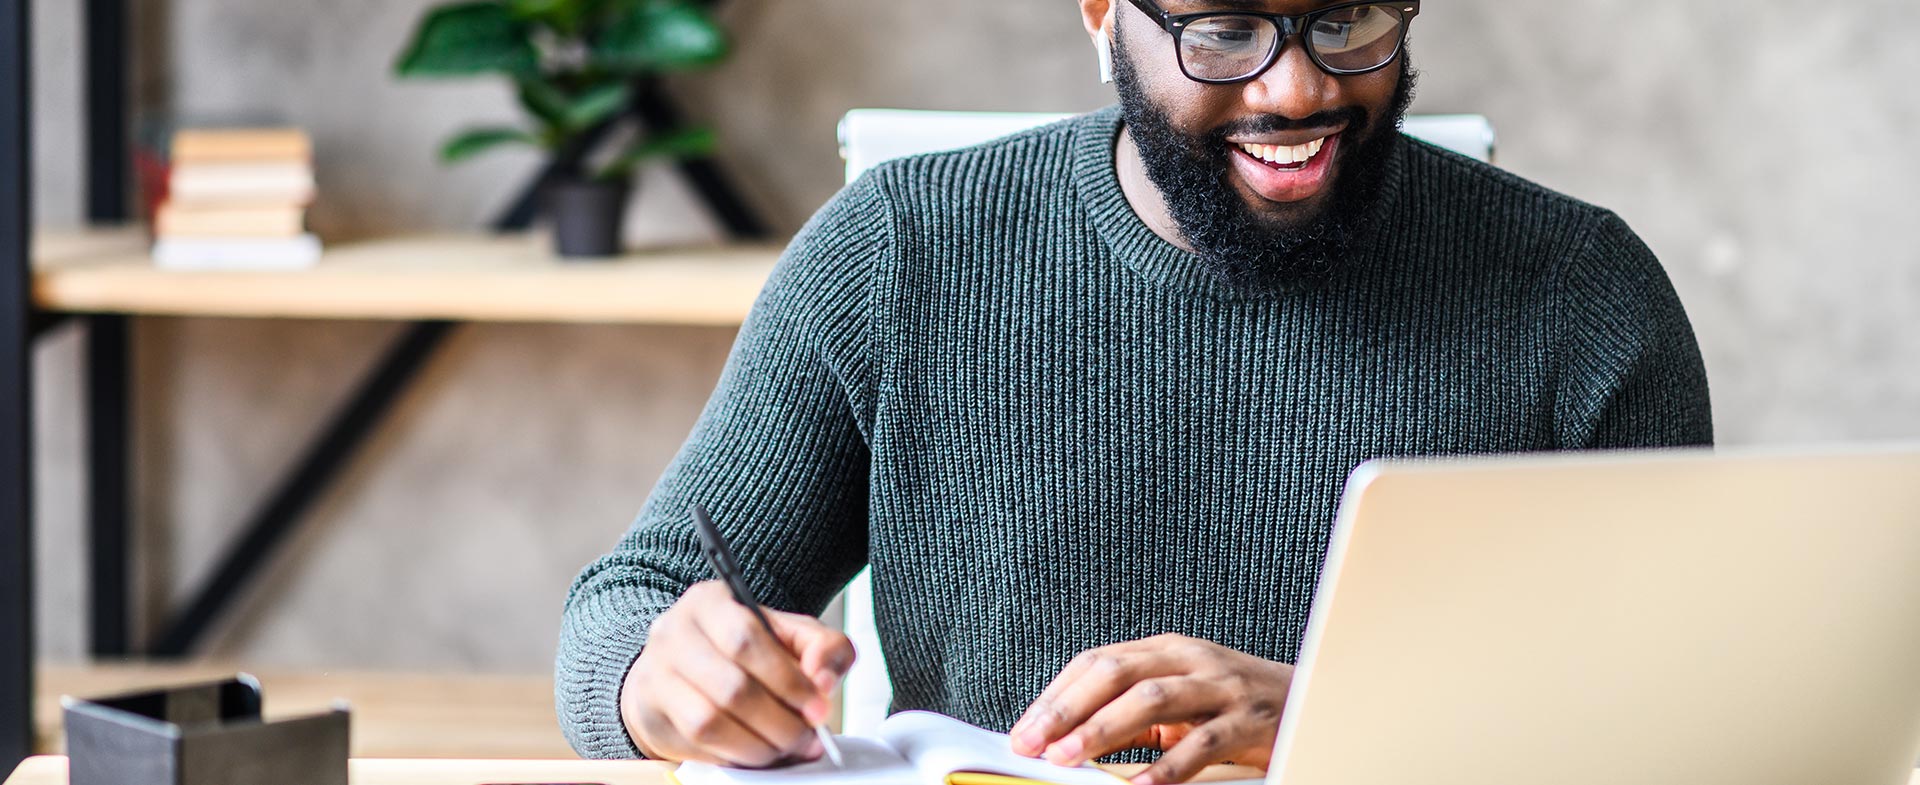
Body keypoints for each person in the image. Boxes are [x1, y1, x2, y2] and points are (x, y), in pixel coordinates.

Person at [555, 1, 1713, 783]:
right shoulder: (898, 253)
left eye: (1348, 17)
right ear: (1104, 12)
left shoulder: (1580, 293)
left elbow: (1701, 709)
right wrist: (666, 678)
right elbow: (624, 609)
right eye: (1221, 30)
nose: (1297, 86)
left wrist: (1332, 722)